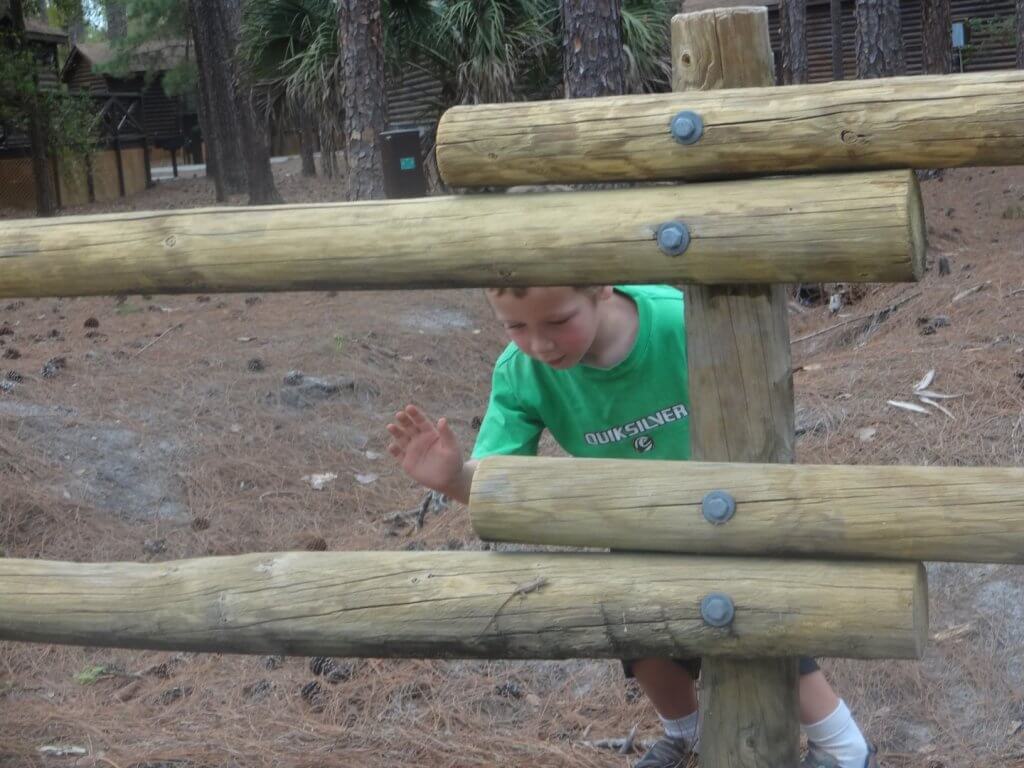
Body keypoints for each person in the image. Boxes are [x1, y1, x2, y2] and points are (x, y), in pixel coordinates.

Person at [386, 285, 876, 768]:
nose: (540, 344)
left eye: (557, 321)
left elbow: (755, 404)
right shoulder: (520, 374)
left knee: (754, 616)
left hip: (730, 511)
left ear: (600, 287)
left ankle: (840, 743)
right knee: (634, 626)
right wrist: (453, 478)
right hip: (637, 529)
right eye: (515, 326)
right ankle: (687, 734)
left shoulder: (680, 323)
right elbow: (498, 484)